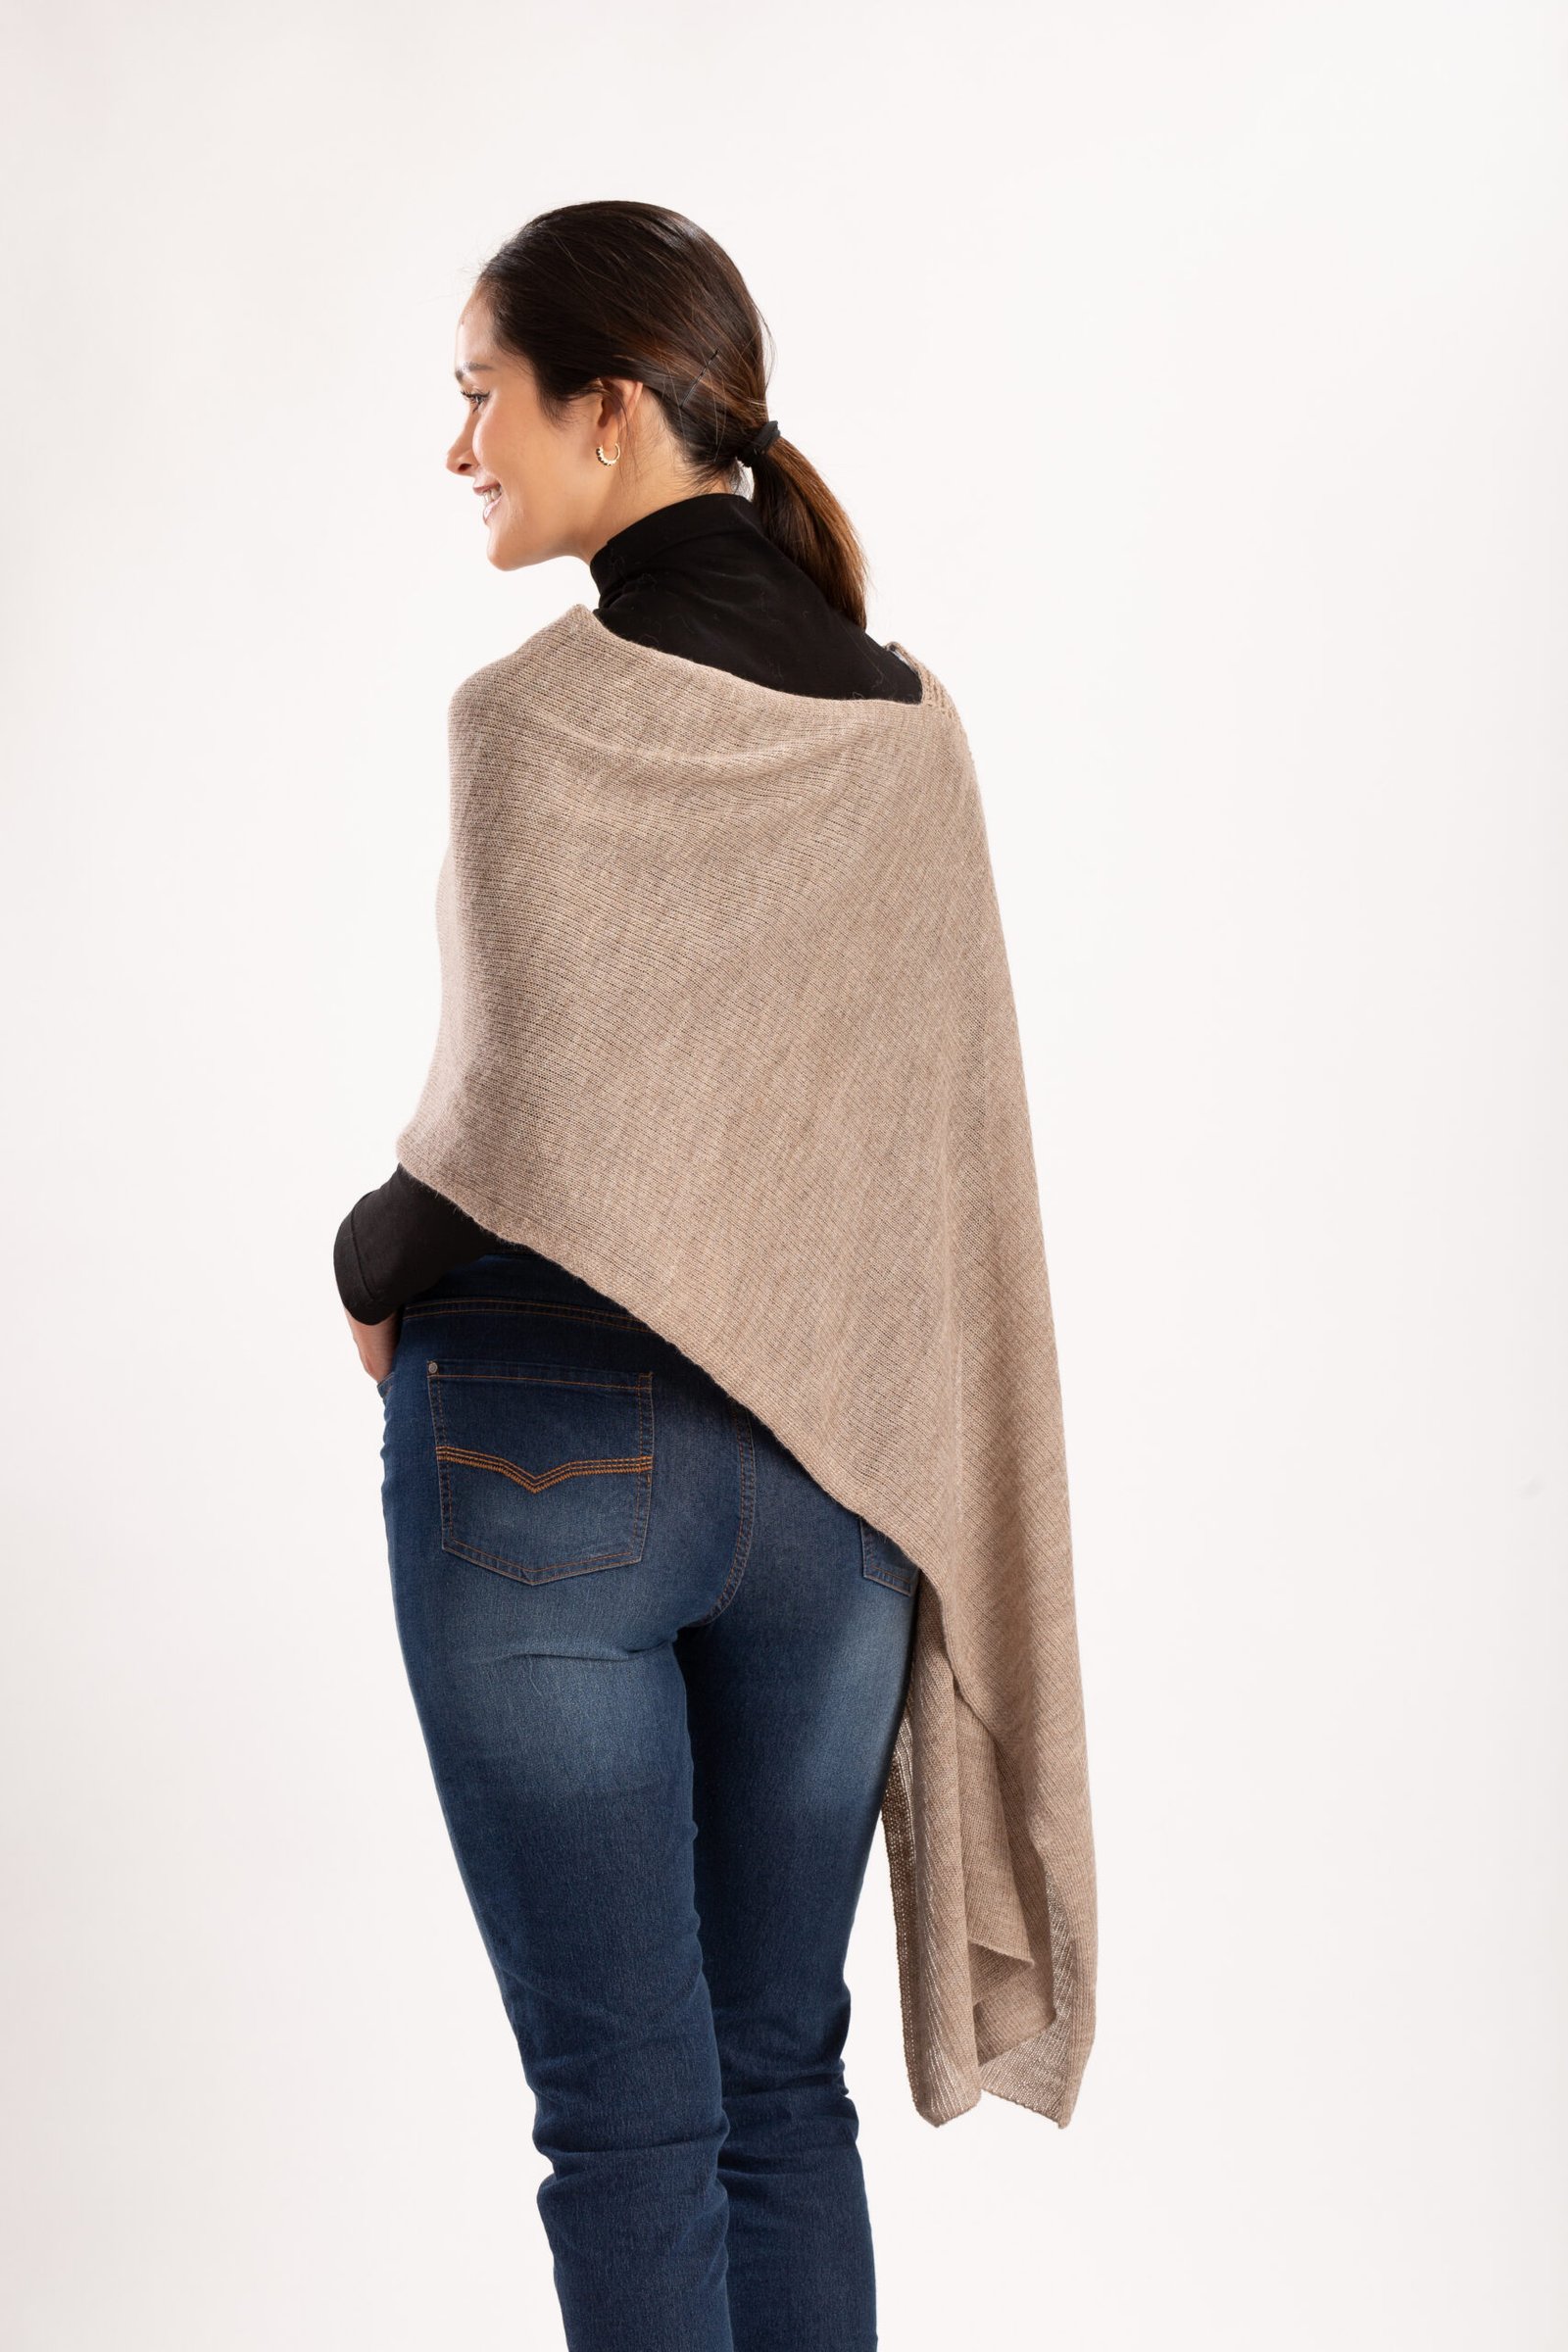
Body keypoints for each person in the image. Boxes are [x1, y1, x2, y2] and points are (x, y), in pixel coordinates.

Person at [337, 200, 1096, 2352]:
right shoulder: (905, 727)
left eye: (481, 395)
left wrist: (363, 1254)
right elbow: (909, 1143)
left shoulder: (531, 720)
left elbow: (514, 1124)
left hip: (544, 1456)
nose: (461, 447)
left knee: (629, 2118)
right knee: (775, 2084)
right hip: (835, 1474)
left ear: (607, 408)